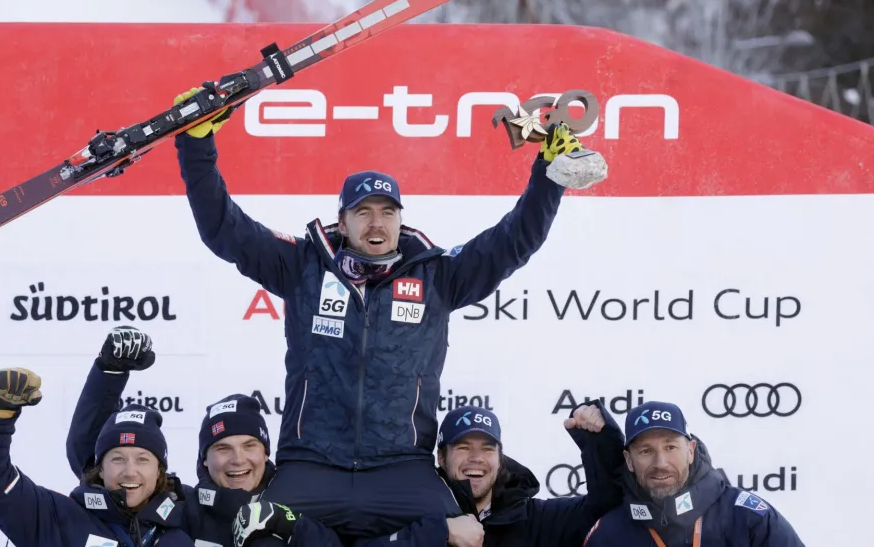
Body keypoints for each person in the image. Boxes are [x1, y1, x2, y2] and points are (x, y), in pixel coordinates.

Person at [171, 83, 604, 542]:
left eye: (387, 212)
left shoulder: (438, 275)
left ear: (400, 219)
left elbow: (515, 241)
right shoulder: (301, 266)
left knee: (467, 537)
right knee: (256, 532)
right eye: (363, 212)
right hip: (312, 464)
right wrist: (196, 144)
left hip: (401, 468)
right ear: (343, 222)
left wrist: (549, 173)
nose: (376, 222)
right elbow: (223, 228)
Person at [237, 401, 626, 547]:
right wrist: (437, 531)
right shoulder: (405, 510)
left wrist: (600, 443)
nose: (476, 459)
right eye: (463, 448)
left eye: (487, 449)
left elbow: (604, 509)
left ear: (500, 458)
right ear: (440, 457)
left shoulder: (532, 518)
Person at [65, 326, 283, 546]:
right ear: (204, 459)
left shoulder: (296, 499)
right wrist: (108, 374)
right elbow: (96, 461)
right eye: (223, 448)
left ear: (265, 452)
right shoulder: (182, 507)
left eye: (249, 446)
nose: (237, 459)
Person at [0, 367, 194, 547]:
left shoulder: (188, 521)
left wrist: (109, 369)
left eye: (143, 459)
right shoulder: (59, 519)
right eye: (117, 459)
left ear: (159, 470)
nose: (130, 471)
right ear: (100, 468)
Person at [582, 401, 805, 547]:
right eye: (646, 451)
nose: (660, 463)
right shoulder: (609, 534)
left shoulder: (748, 518)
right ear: (629, 460)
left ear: (690, 451)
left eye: (670, 447)